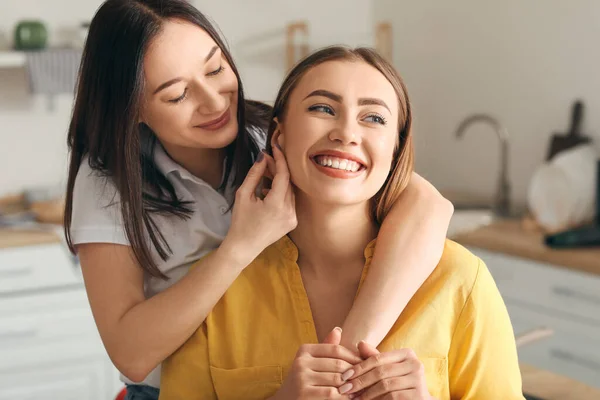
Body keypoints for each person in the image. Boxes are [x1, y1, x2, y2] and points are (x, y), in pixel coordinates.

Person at [64, 1, 453, 399]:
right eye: (178, 95)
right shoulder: (108, 180)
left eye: (216, 69)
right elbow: (129, 353)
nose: (215, 103)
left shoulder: (262, 135)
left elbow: (426, 204)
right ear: (132, 110)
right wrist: (242, 244)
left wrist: (349, 355)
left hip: (283, 379)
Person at [160, 46, 525, 400]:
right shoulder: (215, 292)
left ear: (395, 150)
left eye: (374, 118)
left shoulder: (460, 280)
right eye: (322, 108)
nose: (347, 133)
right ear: (279, 135)